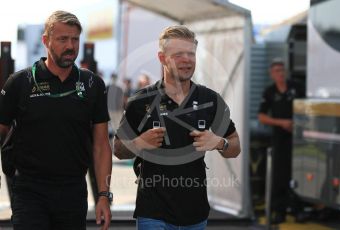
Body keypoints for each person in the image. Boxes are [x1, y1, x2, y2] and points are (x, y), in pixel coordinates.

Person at [114, 25, 241, 229]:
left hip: (195, 214)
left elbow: (235, 147)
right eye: (179, 54)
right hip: (152, 212)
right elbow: (118, 150)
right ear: (162, 58)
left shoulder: (210, 100)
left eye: (191, 53)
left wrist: (219, 143)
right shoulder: (141, 101)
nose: (187, 60)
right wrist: (139, 143)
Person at [0, 11, 112, 229]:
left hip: (73, 190)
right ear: (46, 40)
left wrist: (104, 196)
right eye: (62, 39)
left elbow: (101, 145)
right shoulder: (20, 82)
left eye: (75, 39)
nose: (70, 46)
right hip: (28, 189)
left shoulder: (92, 85)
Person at [258, 58, 305, 224]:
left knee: (298, 172)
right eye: (277, 71)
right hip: (279, 138)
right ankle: (280, 211)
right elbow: (262, 116)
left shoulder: (297, 88)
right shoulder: (269, 92)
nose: (280, 74)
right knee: (279, 175)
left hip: (299, 137)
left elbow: (306, 107)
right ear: (272, 74)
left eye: (282, 70)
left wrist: (297, 123)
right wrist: (281, 123)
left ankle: (298, 209)